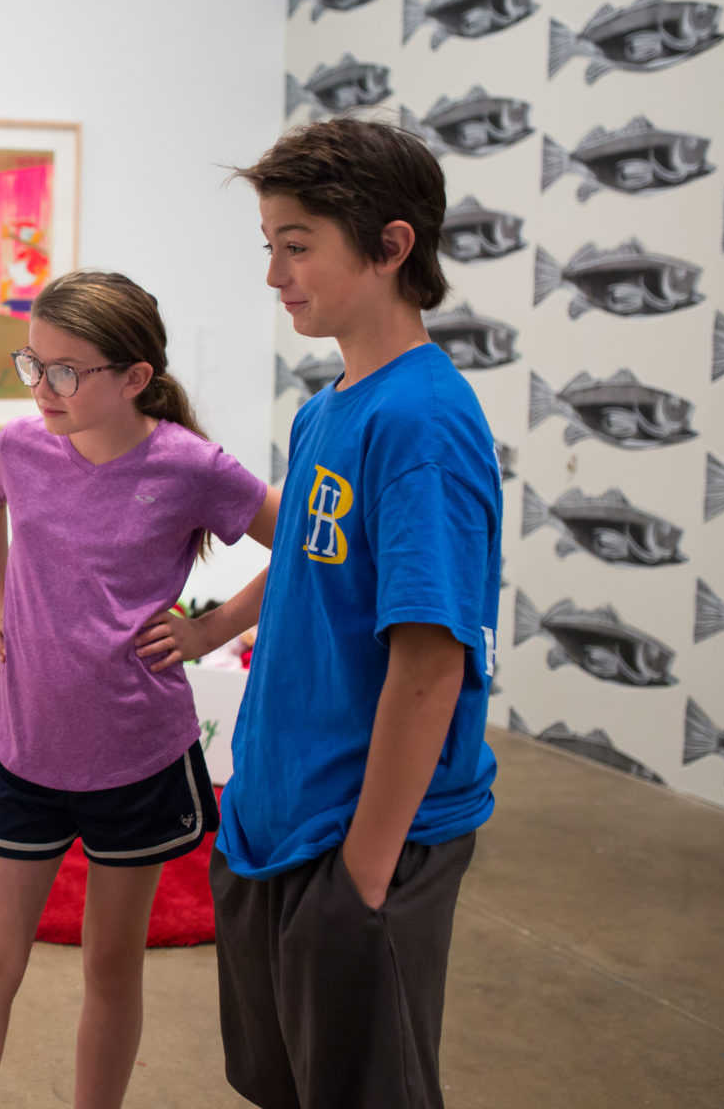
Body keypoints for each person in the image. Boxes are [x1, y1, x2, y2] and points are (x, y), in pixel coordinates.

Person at [151, 117, 502, 1108]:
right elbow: (311, 563)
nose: (275, 275)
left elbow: (431, 665)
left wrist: (365, 877)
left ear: (391, 247)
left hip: (359, 837)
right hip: (274, 815)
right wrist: (211, 631)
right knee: (284, 1081)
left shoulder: (421, 424)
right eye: (270, 246)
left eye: (296, 245)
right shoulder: (328, 408)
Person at [0, 269, 280, 1109]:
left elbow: (303, 539)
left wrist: (211, 630)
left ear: (134, 379)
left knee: (110, 967)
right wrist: (0, 601)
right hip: (29, 752)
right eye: (33, 365)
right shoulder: (20, 446)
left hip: (138, 760)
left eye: (67, 370)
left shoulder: (190, 465)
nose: (43, 388)